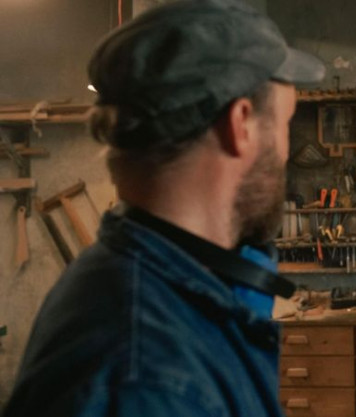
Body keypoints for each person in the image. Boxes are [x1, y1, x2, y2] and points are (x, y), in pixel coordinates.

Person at [4, 1, 324, 416]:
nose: (284, 151)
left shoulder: (152, 293)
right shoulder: (148, 377)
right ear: (240, 124)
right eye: (285, 123)